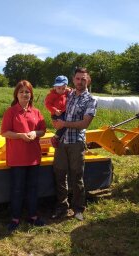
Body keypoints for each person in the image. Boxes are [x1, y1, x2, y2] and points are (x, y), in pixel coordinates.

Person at [51, 67, 97, 221]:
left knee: (76, 175)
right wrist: (56, 125)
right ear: (73, 79)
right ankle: (62, 207)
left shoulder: (91, 100)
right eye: (78, 78)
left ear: (88, 80)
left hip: (76, 142)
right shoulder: (67, 93)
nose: (80, 81)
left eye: (83, 79)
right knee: (59, 174)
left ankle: (78, 208)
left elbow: (85, 123)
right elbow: (53, 104)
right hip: (62, 141)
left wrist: (64, 124)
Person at [1, 80, 47, 232]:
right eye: (21, 92)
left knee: (33, 188)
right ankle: (15, 218)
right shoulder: (11, 111)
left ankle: (33, 216)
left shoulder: (36, 112)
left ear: (31, 94)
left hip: (33, 157)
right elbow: (4, 132)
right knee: (17, 189)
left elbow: (42, 130)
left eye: (27, 92)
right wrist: (20, 135)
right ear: (17, 94)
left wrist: (35, 133)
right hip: (17, 157)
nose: (24, 94)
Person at [44, 75, 71, 148]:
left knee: (67, 124)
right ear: (55, 87)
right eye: (59, 88)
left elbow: (72, 91)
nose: (61, 90)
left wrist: (68, 90)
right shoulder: (51, 95)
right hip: (56, 114)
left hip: (63, 112)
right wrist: (54, 110)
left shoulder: (65, 92)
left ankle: (60, 138)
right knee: (63, 125)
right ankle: (55, 138)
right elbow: (47, 104)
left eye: (63, 88)